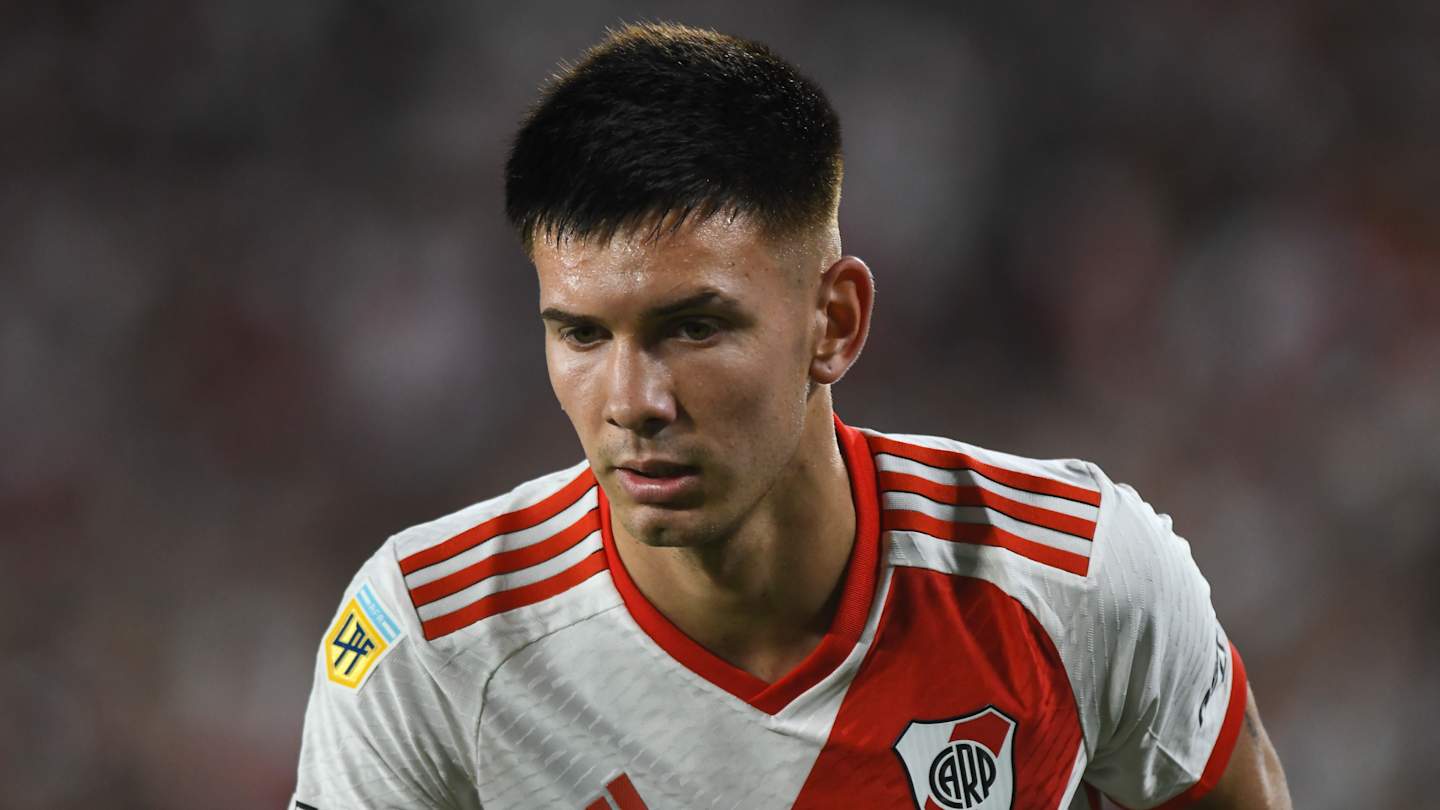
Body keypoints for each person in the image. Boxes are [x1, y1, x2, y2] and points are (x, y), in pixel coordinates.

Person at [292, 22, 1291, 810]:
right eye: (584, 335)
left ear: (834, 322)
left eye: (694, 328)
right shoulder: (427, 643)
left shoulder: (1073, 578)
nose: (634, 402)